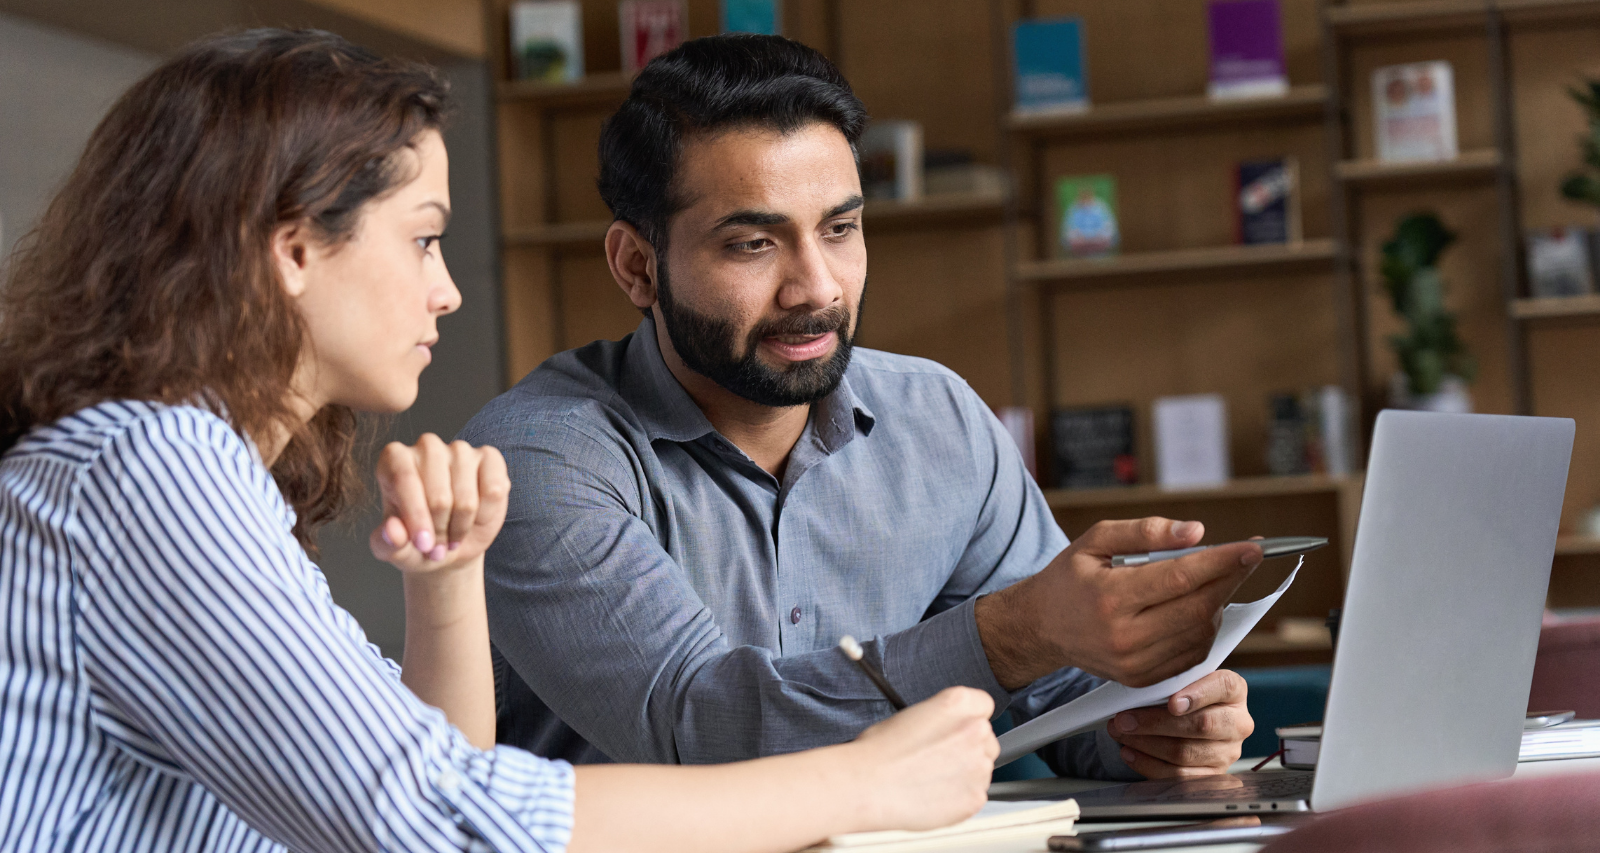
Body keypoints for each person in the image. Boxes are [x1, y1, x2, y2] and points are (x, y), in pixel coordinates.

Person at [0, 29, 1001, 853]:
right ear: (296, 246)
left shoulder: (169, 470)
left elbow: (417, 772)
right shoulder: (149, 468)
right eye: (424, 237)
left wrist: (444, 585)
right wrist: (857, 784)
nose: (447, 288)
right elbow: (429, 816)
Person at [464, 34, 1260, 781]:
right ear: (638, 266)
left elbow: (1063, 701)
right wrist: (1016, 631)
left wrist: (1160, 723)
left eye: (839, 228)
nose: (818, 287)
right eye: (753, 244)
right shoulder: (538, 458)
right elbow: (701, 728)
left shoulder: (938, 419)